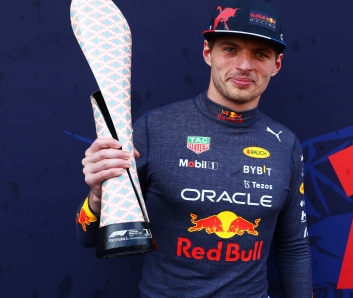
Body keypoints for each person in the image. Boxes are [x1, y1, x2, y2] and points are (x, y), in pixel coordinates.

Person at [76, 0, 312, 297]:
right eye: (229, 49)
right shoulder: (154, 128)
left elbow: (293, 247)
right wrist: (98, 196)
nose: (244, 65)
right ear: (207, 53)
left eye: (260, 54)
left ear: (275, 65)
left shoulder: (285, 143)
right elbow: (86, 237)